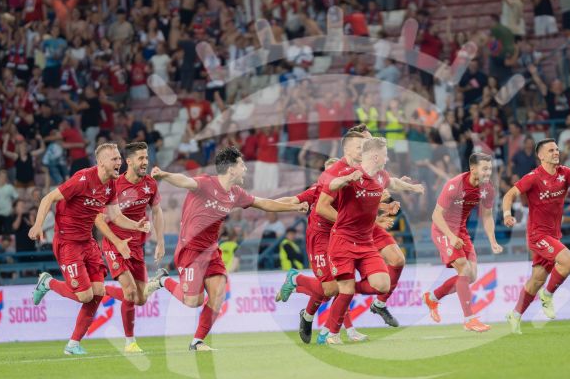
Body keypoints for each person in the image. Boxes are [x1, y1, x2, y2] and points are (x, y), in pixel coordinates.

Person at [143, 147, 307, 352]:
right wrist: (165, 175)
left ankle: (197, 342)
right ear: (231, 169)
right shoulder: (205, 183)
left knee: (218, 295)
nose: (246, 169)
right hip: (191, 250)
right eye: (242, 165)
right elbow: (185, 180)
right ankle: (162, 280)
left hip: (211, 251)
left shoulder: (236, 193)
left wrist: (293, 206)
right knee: (193, 301)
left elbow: (264, 203)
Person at [29, 143, 151, 356]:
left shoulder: (110, 185)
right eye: (114, 159)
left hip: (87, 242)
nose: (119, 163)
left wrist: (136, 225)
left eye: (119, 159)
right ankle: (48, 282)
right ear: (101, 162)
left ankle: (73, 344)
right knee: (85, 296)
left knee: (98, 292)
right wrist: (38, 225)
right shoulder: (82, 179)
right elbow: (48, 198)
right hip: (68, 242)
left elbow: (114, 216)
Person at [501, 138, 570, 334]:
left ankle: (514, 315)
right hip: (537, 234)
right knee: (569, 262)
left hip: (553, 236)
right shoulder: (533, 177)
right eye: (551, 150)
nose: (556, 152)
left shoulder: (565, 173)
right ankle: (547, 295)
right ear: (540, 156)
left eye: (556, 149)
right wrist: (507, 214)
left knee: (536, 280)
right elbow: (509, 195)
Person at [320, 137, 395, 345]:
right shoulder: (351, 173)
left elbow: (369, 203)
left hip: (365, 242)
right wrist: (346, 179)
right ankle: (332, 334)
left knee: (383, 284)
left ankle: (349, 288)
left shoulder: (380, 178)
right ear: (377, 156)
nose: (387, 158)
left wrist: (388, 207)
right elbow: (331, 183)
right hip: (343, 240)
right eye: (386, 153)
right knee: (346, 290)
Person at [423, 153, 503, 332]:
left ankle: (433, 297)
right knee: (463, 269)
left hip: (461, 230)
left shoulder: (488, 189)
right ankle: (469, 319)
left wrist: (492, 240)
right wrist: (451, 237)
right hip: (442, 229)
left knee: (471, 276)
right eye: (484, 168)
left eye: (490, 168)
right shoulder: (454, 185)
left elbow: (488, 216)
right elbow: (436, 215)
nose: (488, 172)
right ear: (473, 169)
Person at [99, 142, 164, 354]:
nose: (145, 162)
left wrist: (160, 241)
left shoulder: (150, 185)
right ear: (129, 161)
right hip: (114, 243)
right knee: (129, 293)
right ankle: (130, 342)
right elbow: (102, 217)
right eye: (141, 158)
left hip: (137, 246)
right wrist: (118, 240)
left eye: (147, 158)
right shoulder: (113, 185)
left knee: (141, 299)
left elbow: (157, 211)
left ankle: (101, 289)